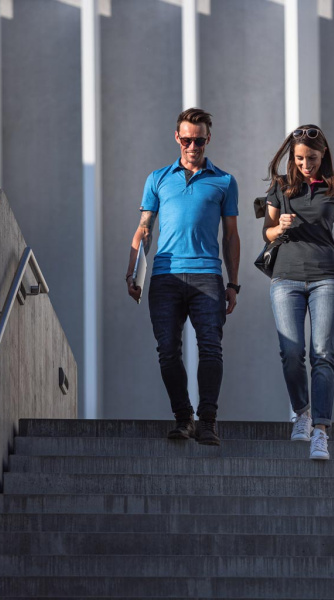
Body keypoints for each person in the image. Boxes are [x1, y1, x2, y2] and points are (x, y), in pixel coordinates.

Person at [126, 108, 240, 446]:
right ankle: (183, 418)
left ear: (208, 139)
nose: (193, 146)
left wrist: (233, 283)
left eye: (199, 140)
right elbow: (144, 228)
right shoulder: (158, 178)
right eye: (187, 139)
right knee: (167, 351)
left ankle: (207, 421)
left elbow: (231, 236)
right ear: (177, 138)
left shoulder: (224, 181)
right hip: (165, 277)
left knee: (210, 348)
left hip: (208, 275)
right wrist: (133, 271)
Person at [263, 124, 334, 460]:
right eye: (301, 158)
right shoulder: (281, 187)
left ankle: (320, 431)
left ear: (324, 155)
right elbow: (267, 233)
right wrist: (280, 228)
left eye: (312, 158)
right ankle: (301, 413)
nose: (306, 164)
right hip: (286, 278)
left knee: (322, 353)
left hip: (327, 278)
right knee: (291, 353)